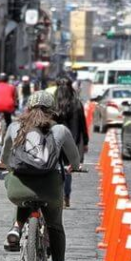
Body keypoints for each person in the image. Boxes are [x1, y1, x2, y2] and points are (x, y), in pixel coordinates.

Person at [0, 91, 80, 261]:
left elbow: (5, 157)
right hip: (50, 189)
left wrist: (2, 165)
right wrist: (74, 167)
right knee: (56, 226)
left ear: (28, 108)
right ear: (52, 111)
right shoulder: (60, 130)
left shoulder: (15, 127)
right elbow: (74, 158)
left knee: (16, 180)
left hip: (18, 190)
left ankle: (16, 226)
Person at [54, 78, 89, 208]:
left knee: (53, 167)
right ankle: (65, 196)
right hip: (73, 141)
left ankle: (55, 194)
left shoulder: (53, 104)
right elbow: (83, 125)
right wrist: (85, 141)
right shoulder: (77, 104)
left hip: (55, 141)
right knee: (68, 169)